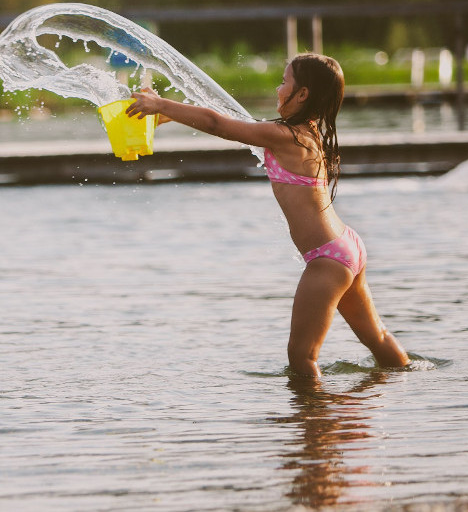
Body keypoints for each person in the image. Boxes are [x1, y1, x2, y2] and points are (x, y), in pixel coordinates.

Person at [125, 53, 410, 378]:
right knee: (378, 338)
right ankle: (411, 388)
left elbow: (219, 125)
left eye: (284, 82)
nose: (278, 88)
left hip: (328, 260)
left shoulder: (285, 137)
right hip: (346, 247)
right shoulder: (307, 133)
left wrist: (161, 104)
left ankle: (314, 425)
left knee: (302, 358)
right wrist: (173, 116)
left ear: (302, 94)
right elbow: (226, 120)